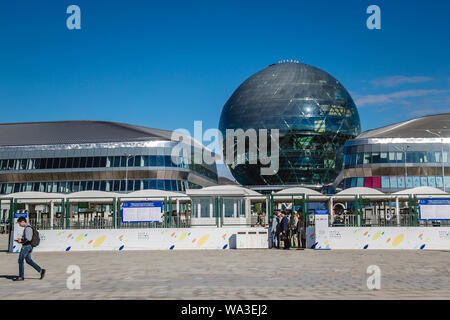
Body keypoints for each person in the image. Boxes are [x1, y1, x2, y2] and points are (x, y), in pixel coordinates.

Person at [13, 217, 45, 281]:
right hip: (29, 246)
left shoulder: (27, 228)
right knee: (28, 260)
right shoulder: (28, 227)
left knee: (20, 260)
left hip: (26, 247)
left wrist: (21, 240)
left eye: (19, 223)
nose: (19, 225)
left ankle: (21, 276)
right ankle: (41, 271)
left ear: (22, 222)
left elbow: (28, 238)